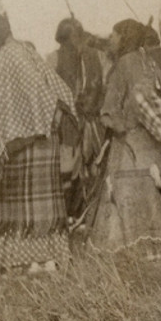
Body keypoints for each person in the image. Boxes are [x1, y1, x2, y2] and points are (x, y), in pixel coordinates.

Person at [0, 13, 75, 271]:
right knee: (42, 205)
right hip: (43, 138)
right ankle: (47, 259)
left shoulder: (9, 56)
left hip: (27, 142)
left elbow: (1, 104)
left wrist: (0, 135)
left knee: (22, 205)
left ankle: (24, 260)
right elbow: (61, 92)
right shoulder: (25, 50)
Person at [92, 19, 161, 252]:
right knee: (150, 190)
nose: (111, 41)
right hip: (150, 142)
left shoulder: (123, 64)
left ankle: (125, 244)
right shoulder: (149, 62)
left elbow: (111, 108)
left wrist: (116, 123)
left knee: (125, 190)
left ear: (124, 37)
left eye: (114, 36)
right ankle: (153, 246)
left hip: (128, 141)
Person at [49, 17, 107, 221]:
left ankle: (87, 216)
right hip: (67, 126)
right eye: (72, 36)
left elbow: (106, 88)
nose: (75, 41)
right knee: (67, 173)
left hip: (93, 124)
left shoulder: (98, 57)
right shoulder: (53, 59)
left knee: (92, 170)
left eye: (77, 35)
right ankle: (69, 217)